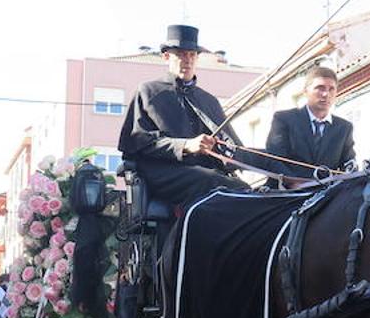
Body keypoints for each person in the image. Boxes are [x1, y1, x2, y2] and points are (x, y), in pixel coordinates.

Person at [118, 23, 248, 208]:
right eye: (180, 54)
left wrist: (218, 148)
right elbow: (138, 142)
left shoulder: (209, 100)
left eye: (192, 55)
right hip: (163, 171)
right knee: (211, 182)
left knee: (245, 189)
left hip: (205, 171)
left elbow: (233, 147)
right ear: (166, 56)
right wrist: (187, 146)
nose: (187, 60)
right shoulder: (148, 91)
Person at [265, 66, 356, 179]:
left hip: (328, 193)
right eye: (320, 88)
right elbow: (273, 159)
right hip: (286, 192)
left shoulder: (344, 128)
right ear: (305, 91)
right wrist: (294, 182)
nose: (325, 94)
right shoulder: (284, 119)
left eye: (331, 89)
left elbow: (349, 166)